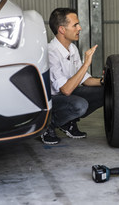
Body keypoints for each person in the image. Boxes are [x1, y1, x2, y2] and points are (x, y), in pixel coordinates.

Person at [41, 8, 104, 145]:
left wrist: (105, 81)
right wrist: (86, 63)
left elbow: (85, 80)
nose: (80, 28)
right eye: (75, 25)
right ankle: (48, 125)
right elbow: (66, 90)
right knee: (80, 105)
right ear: (62, 30)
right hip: (52, 100)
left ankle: (67, 122)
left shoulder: (72, 48)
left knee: (105, 91)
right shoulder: (51, 52)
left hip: (67, 94)